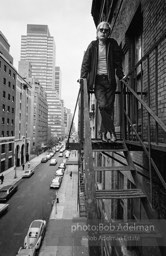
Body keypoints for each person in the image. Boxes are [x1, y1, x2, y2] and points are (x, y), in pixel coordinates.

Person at [80, 21, 124, 142]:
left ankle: (103, 134)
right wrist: (83, 78)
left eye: (106, 30)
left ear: (109, 33)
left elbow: (118, 62)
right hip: (98, 81)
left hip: (110, 80)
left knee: (108, 108)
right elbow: (86, 64)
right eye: (101, 30)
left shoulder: (112, 44)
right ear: (97, 32)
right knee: (103, 105)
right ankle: (112, 132)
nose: (103, 32)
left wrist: (121, 75)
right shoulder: (93, 46)